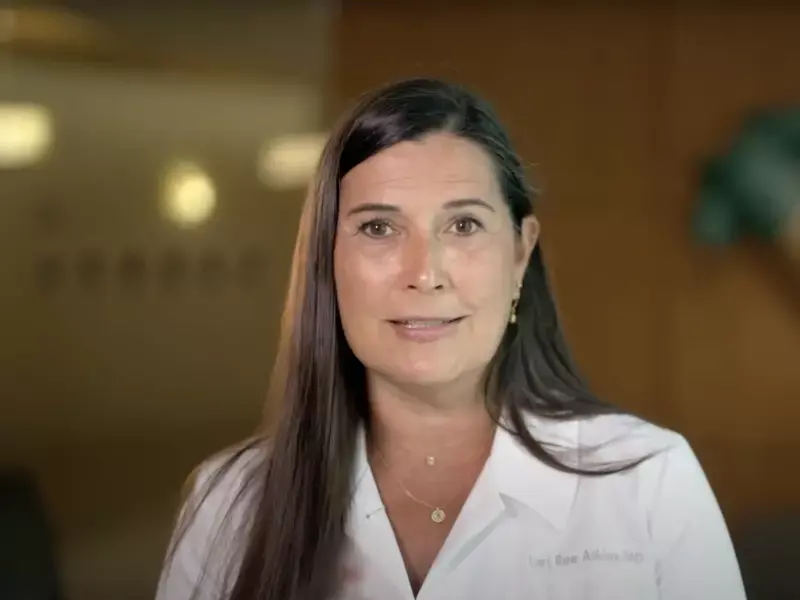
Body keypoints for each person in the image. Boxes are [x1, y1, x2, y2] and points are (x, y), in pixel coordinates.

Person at [155, 78, 746, 600]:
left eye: (463, 225)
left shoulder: (647, 482)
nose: (424, 272)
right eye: (379, 227)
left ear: (520, 254)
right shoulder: (230, 503)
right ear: (326, 261)